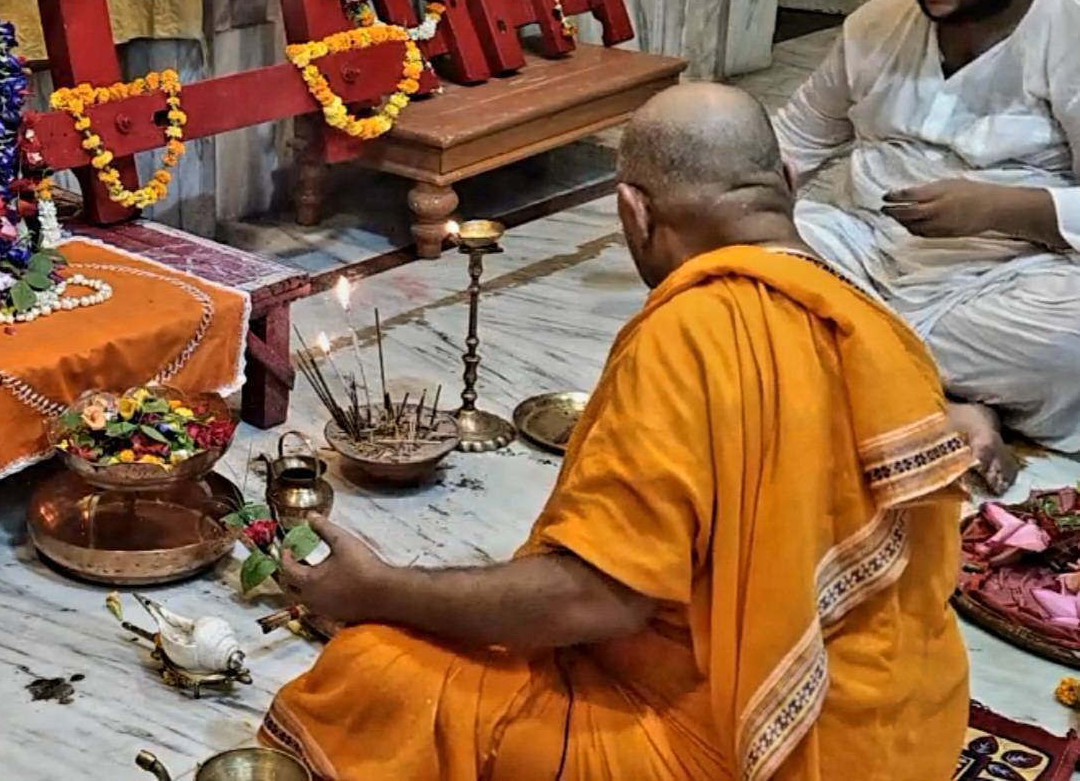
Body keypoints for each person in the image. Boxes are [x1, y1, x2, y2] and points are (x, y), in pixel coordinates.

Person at [260, 84, 974, 781]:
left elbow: (595, 598)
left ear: (633, 211)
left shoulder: (689, 335)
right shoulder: (875, 325)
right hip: (908, 731)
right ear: (786, 180)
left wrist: (380, 588)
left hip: (758, 747)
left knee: (374, 671)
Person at [774, 0, 1080, 492]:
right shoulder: (881, 20)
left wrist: (1000, 208)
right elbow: (795, 138)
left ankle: (855, 365)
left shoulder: (1072, 22)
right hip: (864, 250)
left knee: (1069, 344)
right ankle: (950, 402)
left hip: (1011, 278)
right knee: (738, 265)